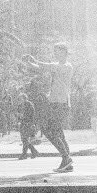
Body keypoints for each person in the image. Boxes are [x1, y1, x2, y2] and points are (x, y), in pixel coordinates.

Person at [29, 42, 74, 173]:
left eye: (58, 51)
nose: (55, 54)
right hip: (55, 104)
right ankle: (67, 162)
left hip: (61, 104)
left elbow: (47, 66)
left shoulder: (67, 66)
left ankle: (66, 158)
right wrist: (29, 63)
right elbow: (42, 68)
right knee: (58, 133)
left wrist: (35, 60)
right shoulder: (57, 66)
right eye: (55, 51)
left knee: (49, 130)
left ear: (65, 52)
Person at [16, 92, 40, 159]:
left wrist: (30, 122)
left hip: (28, 123)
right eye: (19, 99)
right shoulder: (20, 105)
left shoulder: (29, 104)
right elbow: (18, 114)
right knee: (24, 139)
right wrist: (19, 119)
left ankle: (24, 154)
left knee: (25, 139)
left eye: (20, 98)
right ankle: (34, 151)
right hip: (22, 123)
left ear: (24, 98)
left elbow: (32, 114)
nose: (19, 100)